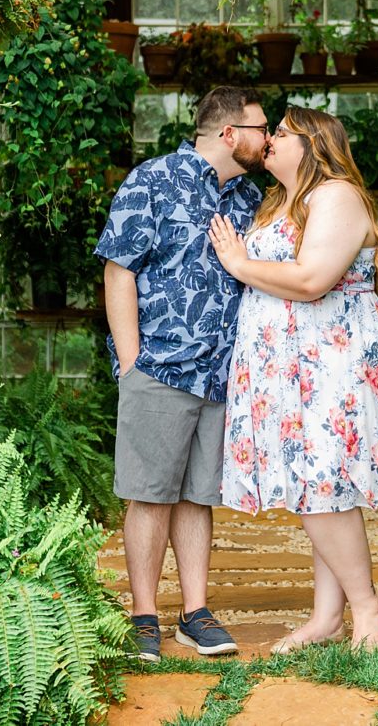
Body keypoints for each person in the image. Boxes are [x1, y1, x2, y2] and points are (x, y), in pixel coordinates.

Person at [206, 105, 378, 653]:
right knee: (315, 488)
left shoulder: (336, 195)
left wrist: (237, 263)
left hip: (333, 360)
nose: (270, 139)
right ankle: (327, 617)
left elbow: (311, 279)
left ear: (314, 143)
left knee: (324, 486)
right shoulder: (285, 202)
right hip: (295, 366)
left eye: (281, 132)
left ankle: (367, 608)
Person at [95, 85, 268, 662]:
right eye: (260, 128)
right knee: (148, 496)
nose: (267, 139)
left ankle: (196, 613)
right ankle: (144, 614)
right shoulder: (153, 179)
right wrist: (131, 362)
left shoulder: (249, 195)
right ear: (228, 134)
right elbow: (118, 269)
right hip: (161, 367)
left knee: (199, 496)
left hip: (222, 374)